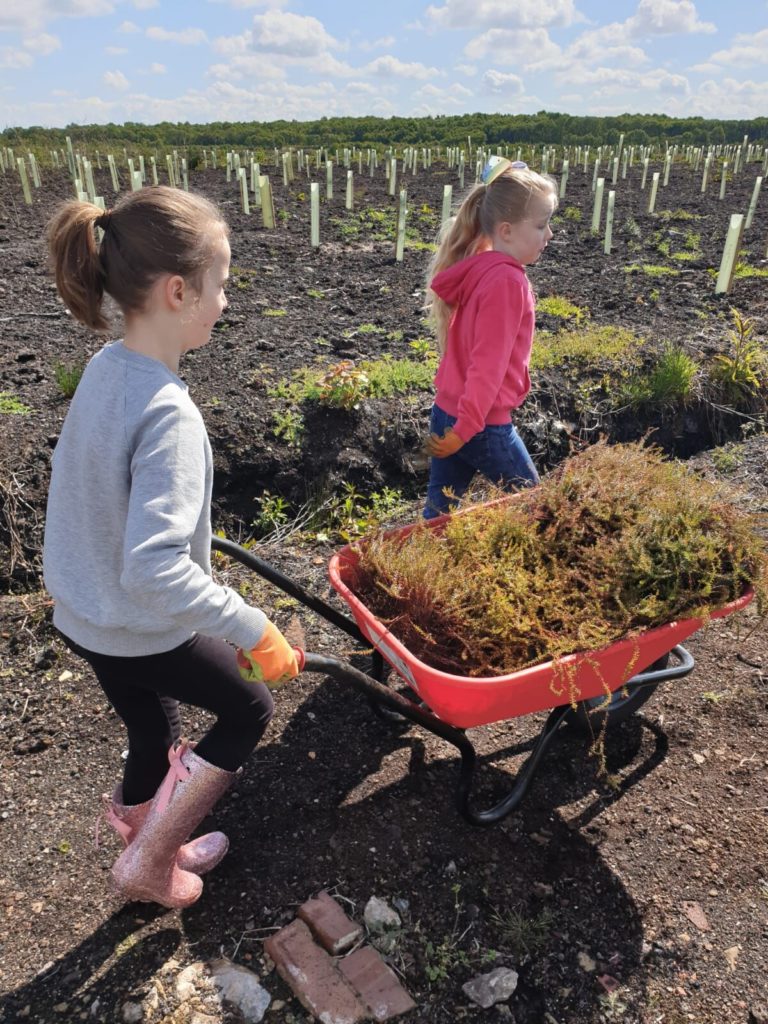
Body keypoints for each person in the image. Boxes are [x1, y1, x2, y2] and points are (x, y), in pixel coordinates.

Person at [43, 186, 299, 910]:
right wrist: (252, 625)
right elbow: (155, 569)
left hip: (83, 615)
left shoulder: (106, 369)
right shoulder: (170, 413)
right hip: (135, 624)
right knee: (248, 710)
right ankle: (151, 861)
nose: (225, 303)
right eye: (221, 286)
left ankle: (146, 836)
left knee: (151, 722)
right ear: (179, 290)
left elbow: (100, 502)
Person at [423, 158, 558, 519]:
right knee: (536, 510)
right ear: (507, 230)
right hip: (480, 425)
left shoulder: (480, 268)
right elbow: (487, 367)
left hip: (446, 412)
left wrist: (456, 427)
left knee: (438, 515)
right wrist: (466, 429)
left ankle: (413, 572)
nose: (549, 235)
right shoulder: (507, 282)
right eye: (541, 225)